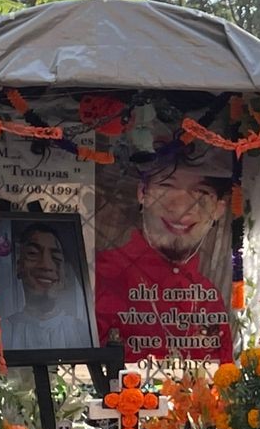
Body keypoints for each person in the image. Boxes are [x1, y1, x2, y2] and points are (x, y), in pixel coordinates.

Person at [95, 146, 234, 362]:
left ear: (218, 209)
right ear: (142, 193)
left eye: (201, 192)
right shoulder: (102, 275)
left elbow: (224, 373)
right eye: (166, 187)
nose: (180, 209)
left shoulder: (209, 296)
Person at [2, 220, 93, 350]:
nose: (46, 266)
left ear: (65, 274)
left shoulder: (81, 333)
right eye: (33, 254)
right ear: (19, 266)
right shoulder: (3, 332)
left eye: (56, 258)